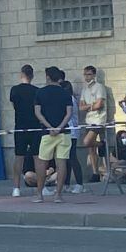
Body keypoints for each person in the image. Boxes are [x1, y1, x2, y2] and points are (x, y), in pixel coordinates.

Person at [33, 67, 73, 204]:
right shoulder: (65, 93)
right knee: (61, 163)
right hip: (64, 133)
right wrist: (59, 127)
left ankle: (39, 194)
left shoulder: (40, 92)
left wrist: (49, 127)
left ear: (48, 77)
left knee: (42, 162)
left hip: (47, 133)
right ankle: (58, 195)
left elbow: (38, 112)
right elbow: (69, 113)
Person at [10, 65, 41, 197]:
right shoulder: (37, 91)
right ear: (32, 76)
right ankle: (41, 187)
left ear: (21, 74)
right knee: (38, 158)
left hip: (20, 126)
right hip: (35, 126)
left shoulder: (14, 90)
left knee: (19, 158)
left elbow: (13, 106)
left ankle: (16, 188)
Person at [79, 65, 109, 182]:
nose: (87, 76)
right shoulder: (84, 89)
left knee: (87, 141)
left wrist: (89, 106)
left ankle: (101, 144)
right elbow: (81, 107)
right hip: (89, 120)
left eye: (89, 74)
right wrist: (91, 106)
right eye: (85, 74)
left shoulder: (99, 87)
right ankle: (95, 173)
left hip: (98, 120)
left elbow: (99, 105)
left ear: (94, 75)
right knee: (91, 148)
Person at [59, 78, 86, 195]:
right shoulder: (70, 99)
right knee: (67, 159)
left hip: (71, 132)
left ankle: (80, 184)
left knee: (72, 158)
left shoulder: (69, 99)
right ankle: (66, 183)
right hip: (68, 131)